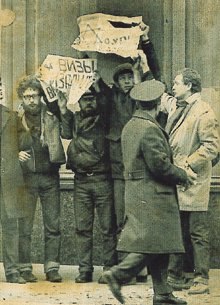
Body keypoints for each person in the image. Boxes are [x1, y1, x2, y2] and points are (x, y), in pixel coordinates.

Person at [103, 79, 195, 305]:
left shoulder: (131, 125)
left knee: (159, 243)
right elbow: (160, 166)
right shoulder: (149, 129)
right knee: (150, 245)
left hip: (139, 194)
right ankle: (118, 274)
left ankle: (162, 293)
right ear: (157, 103)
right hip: (154, 196)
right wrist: (184, 175)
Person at [94, 23, 161, 283]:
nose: (125, 81)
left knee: (139, 219)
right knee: (120, 218)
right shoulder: (110, 99)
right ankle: (123, 267)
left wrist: (146, 41)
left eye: (129, 77)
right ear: (116, 81)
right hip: (119, 173)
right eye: (121, 78)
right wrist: (84, 56)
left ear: (134, 79)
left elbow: (156, 73)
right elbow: (91, 78)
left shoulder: (141, 97)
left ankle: (139, 266)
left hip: (141, 172)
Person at [160, 68, 220, 294]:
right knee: (177, 230)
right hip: (176, 178)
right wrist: (145, 63)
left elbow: (211, 147)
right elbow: (160, 93)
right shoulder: (176, 105)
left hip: (193, 180)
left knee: (197, 232)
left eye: (177, 83)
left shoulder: (204, 113)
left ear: (189, 86)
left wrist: (186, 165)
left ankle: (201, 279)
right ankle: (176, 276)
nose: (173, 86)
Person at [57, 88, 117, 284]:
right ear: (79, 101)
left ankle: (108, 268)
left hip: (102, 179)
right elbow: (65, 132)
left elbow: (108, 101)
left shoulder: (105, 117)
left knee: (108, 227)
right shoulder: (74, 119)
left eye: (92, 99)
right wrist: (63, 108)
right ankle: (85, 270)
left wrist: (98, 85)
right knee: (82, 228)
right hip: (81, 180)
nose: (88, 103)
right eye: (84, 99)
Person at [17, 75, 66, 282]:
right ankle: (24, 268)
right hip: (26, 180)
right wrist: (15, 155)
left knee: (52, 226)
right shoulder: (15, 118)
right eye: (27, 96)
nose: (32, 100)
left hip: (49, 177)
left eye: (35, 95)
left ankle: (52, 268)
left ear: (41, 97)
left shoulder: (52, 114)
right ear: (22, 98)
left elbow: (69, 128)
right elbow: (6, 144)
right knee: (24, 226)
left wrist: (60, 105)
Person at [0, 77, 27, 283]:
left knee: (10, 226)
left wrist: (19, 151)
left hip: (8, 182)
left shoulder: (12, 116)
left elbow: (25, 141)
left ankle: (12, 271)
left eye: (0, 85)